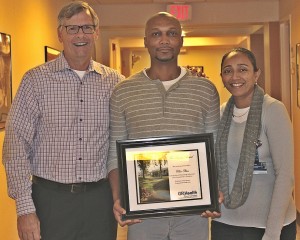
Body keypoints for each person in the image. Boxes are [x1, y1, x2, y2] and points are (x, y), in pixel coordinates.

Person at [2, 1, 124, 240]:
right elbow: (15, 145)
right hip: (49, 200)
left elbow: (122, 143)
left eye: (87, 28)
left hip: (99, 201)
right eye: (72, 28)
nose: (81, 35)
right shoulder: (36, 81)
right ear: (60, 33)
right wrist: (25, 209)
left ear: (96, 32)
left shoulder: (115, 83)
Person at [107, 12, 221, 240]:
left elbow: (215, 150)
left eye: (171, 34)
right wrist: (119, 198)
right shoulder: (123, 91)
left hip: (193, 214)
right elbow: (114, 154)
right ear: (146, 42)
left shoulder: (205, 90)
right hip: (143, 214)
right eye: (156, 34)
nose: (164, 40)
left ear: (181, 40)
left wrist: (213, 193)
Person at [212, 47, 296, 240]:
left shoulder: (273, 110)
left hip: (269, 226)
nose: (235, 76)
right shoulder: (220, 113)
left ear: (256, 74)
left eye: (243, 69)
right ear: (222, 77)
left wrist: (272, 232)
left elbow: (285, 176)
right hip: (225, 223)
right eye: (228, 70)